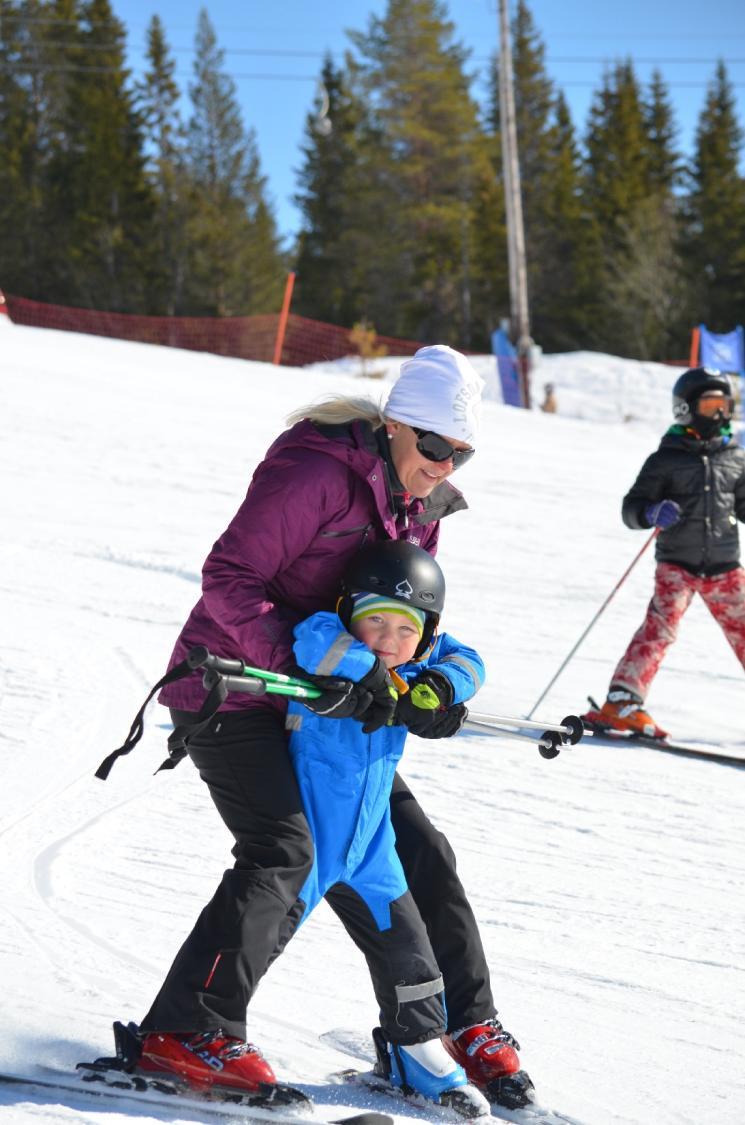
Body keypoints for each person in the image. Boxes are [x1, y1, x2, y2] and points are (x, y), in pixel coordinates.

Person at [104, 344, 525, 1105]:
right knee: (284, 848)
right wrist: (319, 672)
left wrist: (419, 684)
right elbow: (229, 579)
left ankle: (452, 1026)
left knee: (416, 851)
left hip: (327, 716)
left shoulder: (418, 505)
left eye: (460, 453)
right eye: (434, 445)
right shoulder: (316, 470)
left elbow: (407, 619)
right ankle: (187, 1029)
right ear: (396, 424)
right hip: (234, 688)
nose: (444, 465)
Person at [270, 539, 488, 1113]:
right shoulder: (332, 641)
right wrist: (365, 673)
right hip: (314, 836)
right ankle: (195, 1029)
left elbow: (469, 662)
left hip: (372, 847)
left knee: (410, 953)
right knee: (261, 932)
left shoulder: (415, 667)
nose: (389, 642)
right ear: (351, 615)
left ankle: (415, 1049)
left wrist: (437, 688)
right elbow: (313, 638)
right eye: (376, 624)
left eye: (405, 632)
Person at [584, 367, 745, 739]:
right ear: (686, 410)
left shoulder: (735, 457)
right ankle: (623, 702)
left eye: (725, 406)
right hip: (678, 564)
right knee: (660, 628)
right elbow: (631, 507)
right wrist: (651, 512)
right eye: (710, 406)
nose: (719, 414)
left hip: (724, 564)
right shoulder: (666, 459)